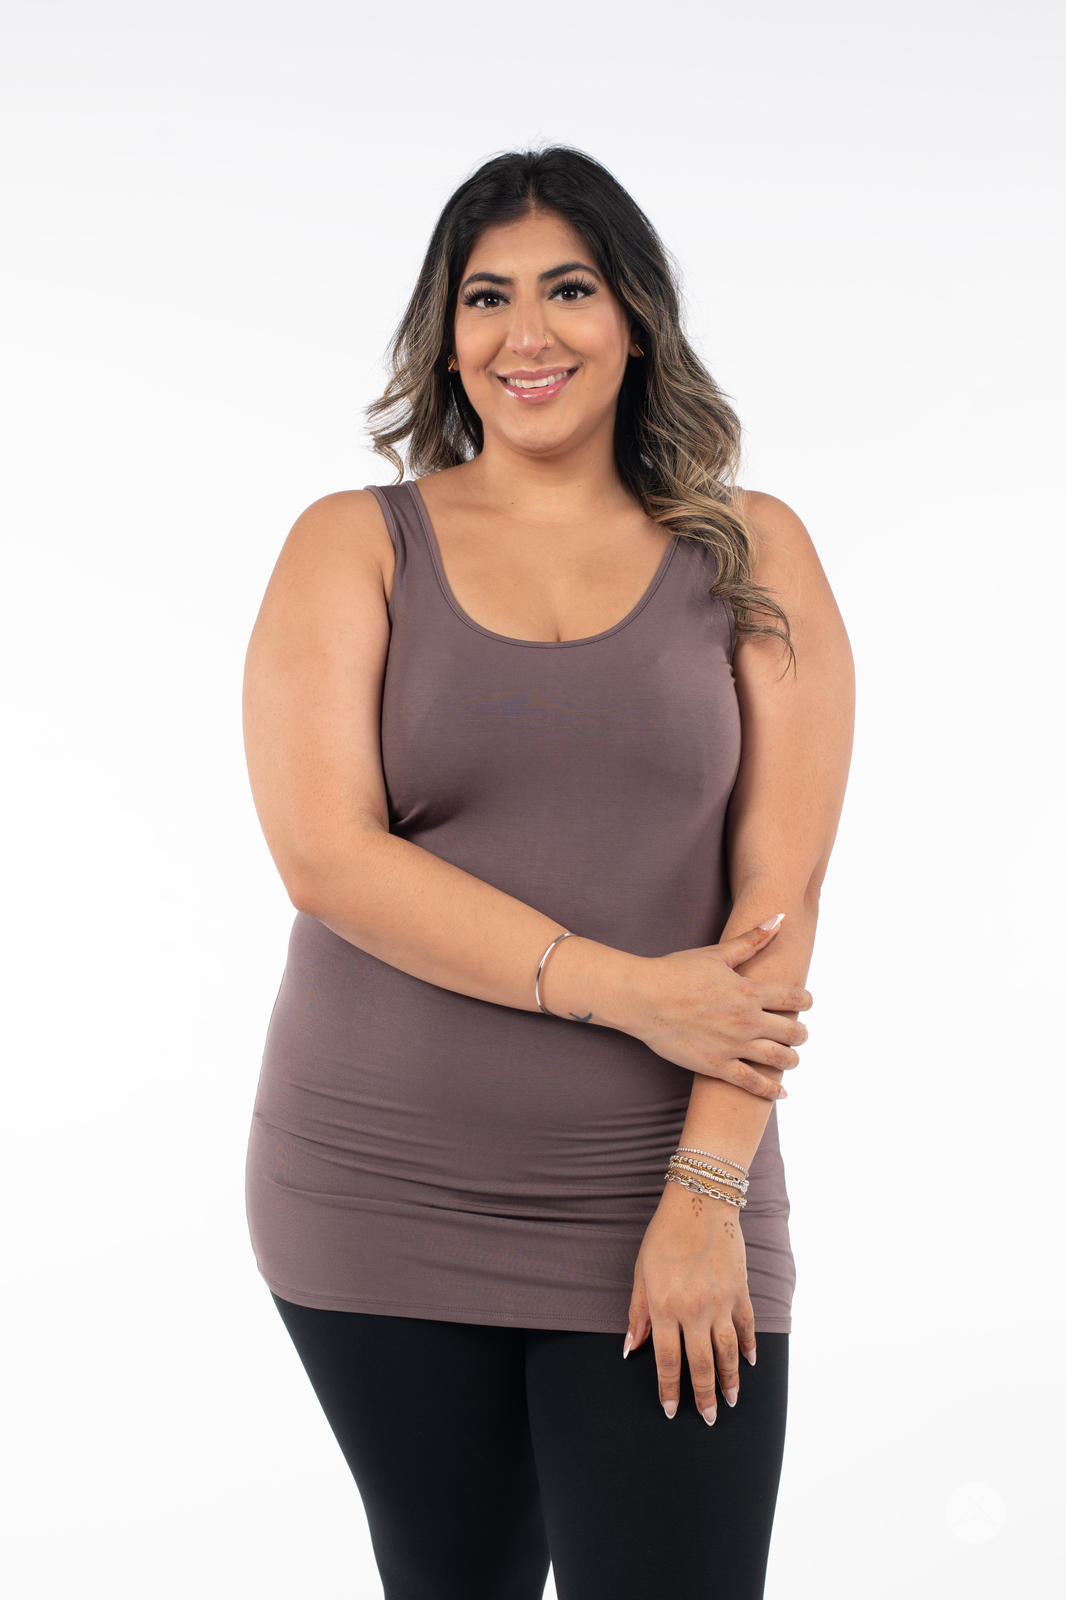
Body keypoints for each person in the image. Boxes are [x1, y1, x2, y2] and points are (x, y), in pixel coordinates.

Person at [242, 144, 854, 1599]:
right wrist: (633, 994)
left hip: (662, 1187)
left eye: (567, 289)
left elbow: (780, 891)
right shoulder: (355, 544)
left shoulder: (754, 551)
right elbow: (326, 857)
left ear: (632, 316)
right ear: (444, 338)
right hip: (374, 1189)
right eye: (485, 297)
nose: (528, 335)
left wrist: (705, 1192)